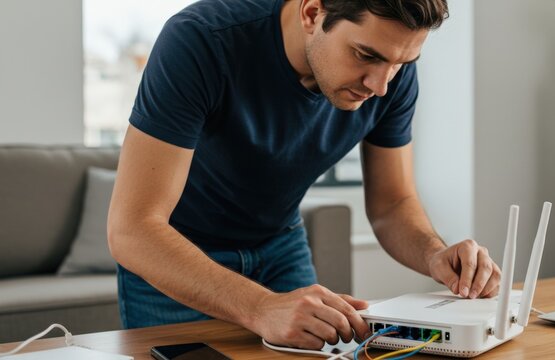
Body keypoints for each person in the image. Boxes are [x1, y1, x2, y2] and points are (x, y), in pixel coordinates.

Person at [107, 0, 502, 351]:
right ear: (313, 13)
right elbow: (133, 229)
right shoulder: (201, 40)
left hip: (280, 244)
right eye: (365, 55)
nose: (380, 86)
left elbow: (392, 203)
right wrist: (260, 307)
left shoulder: (390, 78)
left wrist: (434, 254)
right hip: (176, 254)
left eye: (400, 64)